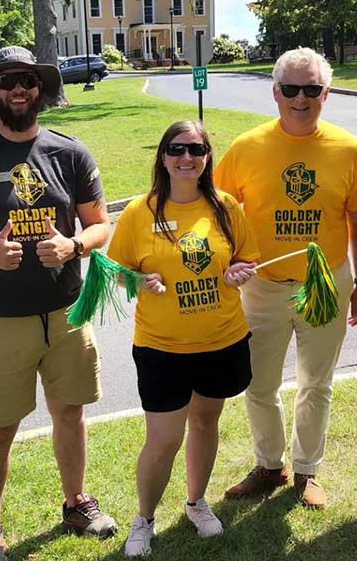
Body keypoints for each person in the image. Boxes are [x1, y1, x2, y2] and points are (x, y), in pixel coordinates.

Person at [0, 45, 116, 561]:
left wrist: (75, 244)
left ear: (40, 88)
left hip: (67, 311)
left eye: (28, 81)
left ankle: (77, 502)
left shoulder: (69, 153)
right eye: (9, 80)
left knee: (70, 411)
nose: (19, 89)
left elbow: (99, 224)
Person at [215, 46, 357, 508]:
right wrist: (228, 261)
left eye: (310, 89)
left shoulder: (347, 149)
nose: (300, 99)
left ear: (327, 92)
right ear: (275, 92)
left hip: (326, 286)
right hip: (263, 287)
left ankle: (307, 470)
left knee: (315, 383)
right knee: (258, 384)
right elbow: (217, 211)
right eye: (290, 89)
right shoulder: (247, 147)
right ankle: (270, 465)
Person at [108, 120, 260, 557]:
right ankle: (145, 519)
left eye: (195, 149)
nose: (186, 158)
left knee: (206, 421)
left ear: (207, 157)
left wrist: (238, 272)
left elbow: (247, 257)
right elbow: (116, 272)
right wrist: (139, 280)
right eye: (176, 149)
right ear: (163, 157)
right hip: (162, 348)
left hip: (222, 339)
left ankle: (196, 503)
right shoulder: (141, 211)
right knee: (163, 439)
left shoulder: (226, 207)